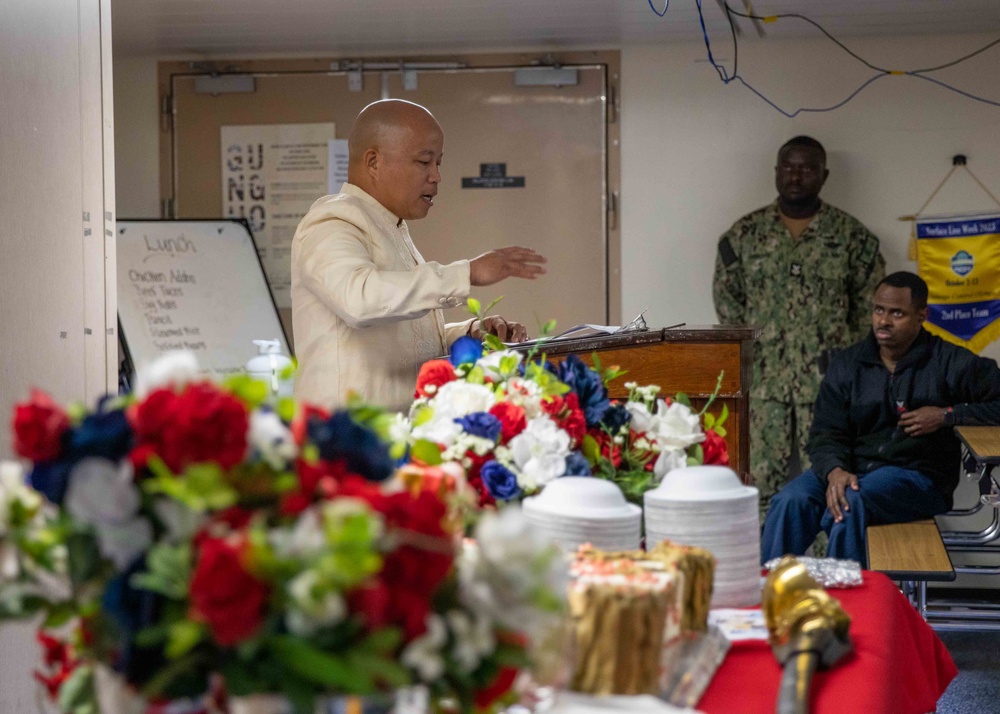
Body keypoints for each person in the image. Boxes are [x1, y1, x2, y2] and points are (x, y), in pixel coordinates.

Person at [291, 99, 546, 410]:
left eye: (439, 163)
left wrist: (469, 333)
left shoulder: (390, 226)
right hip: (347, 446)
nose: (437, 176)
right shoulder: (333, 221)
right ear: (373, 162)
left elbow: (401, 336)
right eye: (425, 162)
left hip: (394, 439)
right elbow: (359, 300)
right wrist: (468, 273)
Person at [760, 272, 1000, 567]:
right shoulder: (849, 363)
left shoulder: (948, 362)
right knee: (790, 501)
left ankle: (845, 605)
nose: (883, 321)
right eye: (879, 310)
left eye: (897, 313)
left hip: (917, 476)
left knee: (850, 501)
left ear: (921, 315)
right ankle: (769, 599)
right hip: (851, 470)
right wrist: (834, 470)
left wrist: (947, 415)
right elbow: (825, 432)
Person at [713, 136, 886, 515]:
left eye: (807, 168)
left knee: (831, 480)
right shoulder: (744, 235)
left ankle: (831, 570)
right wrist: (757, 347)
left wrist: (845, 353)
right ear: (776, 172)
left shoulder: (851, 237)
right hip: (763, 382)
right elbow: (728, 298)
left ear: (824, 175)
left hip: (828, 383)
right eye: (788, 167)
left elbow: (871, 306)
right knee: (757, 483)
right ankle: (761, 566)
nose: (796, 176)